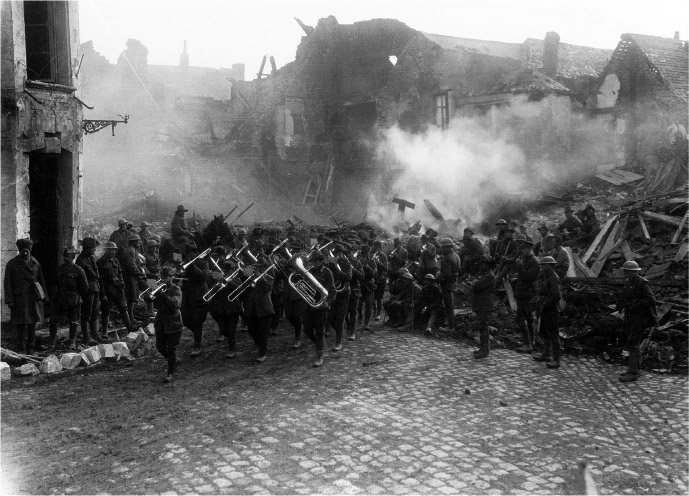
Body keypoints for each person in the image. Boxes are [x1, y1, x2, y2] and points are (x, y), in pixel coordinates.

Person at [4, 239, 49, 354]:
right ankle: (21, 348)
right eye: (23, 251)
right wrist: (10, 300)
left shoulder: (35, 263)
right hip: (20, 299)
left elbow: (41, 280)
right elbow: (7, 283)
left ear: (30, 250)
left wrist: (44, 296)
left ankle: (31, 347)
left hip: (33, 298)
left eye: (27, 251)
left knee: (32, 324)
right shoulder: (12, 264)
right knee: (21, 325)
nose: (25, 253)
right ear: (19, 250)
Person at [617, 261, 658, 382]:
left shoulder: (642, 282)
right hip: (630, 316)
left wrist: (634, 305)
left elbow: (651, 299)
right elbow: (625, 297)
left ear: (634, 272)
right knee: (630, 341)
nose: (625, 273)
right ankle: (635, 369)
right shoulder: (628, 282)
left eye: (627, 271)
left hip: (639, 317)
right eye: (625, 271)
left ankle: (632, 373)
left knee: (633, 343)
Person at [147, 267, 184, 383]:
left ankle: (170, 373)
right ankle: (174, 361)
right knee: (160, 347)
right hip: (161, 321)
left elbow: (174, 304)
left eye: (166, 277)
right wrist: (148, 295)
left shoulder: (176, 289)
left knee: (171, 348)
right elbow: (152, 301)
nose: (163, 280)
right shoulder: (159, 289)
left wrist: (161, 294)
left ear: (172, 277)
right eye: (162, 277)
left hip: (173, 322)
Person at [50, 246, 89, 348]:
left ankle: (72, 342)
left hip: (73, 299)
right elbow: (54, 283)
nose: (66, 258)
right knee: (54, 320)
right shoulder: (59, 269)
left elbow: (84, 286)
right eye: (65, 256)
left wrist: (77, 295)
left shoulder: (78, 270)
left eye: (69, 256)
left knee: (74, 321)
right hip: (60, 299)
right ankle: (51, 342)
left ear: (72, 257)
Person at [301, 250, 334, 367]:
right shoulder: (308, 272)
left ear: (321, 261)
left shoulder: (327, 272)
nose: (313, 263)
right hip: (309, 305)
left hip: (321, 306)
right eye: (312, 261)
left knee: (320, 332)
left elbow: (332, 291)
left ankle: (320, 356)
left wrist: (328, 302)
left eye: (315, 261)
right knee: (307, 330)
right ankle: (319, 346)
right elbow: (303, 288)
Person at [208, 258, 244, 358]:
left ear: (232, 270)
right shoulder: (218, 281)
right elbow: (212, 293)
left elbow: (239, 289)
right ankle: (232, 342)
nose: (227, 272)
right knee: (223, 330)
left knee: (231, 330)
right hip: (221, 308)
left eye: (229, 270)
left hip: (233, 308)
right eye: (225, 270)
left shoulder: (236, 279)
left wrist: (227, 281)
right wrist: (219, 283)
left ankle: (232, 349)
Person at [97, 241, 136, 337]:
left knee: (123, 308)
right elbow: (100, 280)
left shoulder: (115, 261)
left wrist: (122, 284)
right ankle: (105, 331)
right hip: (108, 290)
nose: (113, 252)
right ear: (106, 250)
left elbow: (120, 273)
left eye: (114, 250)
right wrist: (103, 294)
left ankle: (129, 327)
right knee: (106, 310)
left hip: (118, 289)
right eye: (111, 250)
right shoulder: (100, 262)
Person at [180, 241, 209, 356]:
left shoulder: (203, 263)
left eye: (191, 252)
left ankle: (197, 346)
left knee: (197, 322)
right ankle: (199, 334)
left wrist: (191, 264)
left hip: (199, 296)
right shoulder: (185, 263)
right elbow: (181, 275)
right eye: (187, 252)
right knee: (186, 320)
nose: (189, 255)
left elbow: (202, 276)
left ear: (196, 252)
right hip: (187, 296)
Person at [533, 256, 563, 369]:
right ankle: (546, 353)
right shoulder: (546, 277)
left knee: (553, 334)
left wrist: (545, 305)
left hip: (551, 310)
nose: (542, 267)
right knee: (544, 332)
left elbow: (556, 296)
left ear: (550, 266)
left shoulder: (553, 278)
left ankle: (556, 359)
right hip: (545, 308)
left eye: (544, 265)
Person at [243, 258, 275, 363]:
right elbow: (244, 288)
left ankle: (262, 353)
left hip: (264, 308)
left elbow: (267, 288)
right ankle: (259, 344)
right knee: (251, 330)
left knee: (263, 333)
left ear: (265, 267)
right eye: (257, 266)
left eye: (260, 267)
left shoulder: (269, 277)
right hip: (252, 308)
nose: (258, 268)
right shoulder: (251, 277)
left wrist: (260, 278)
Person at [513, 236, 540, 353]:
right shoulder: (526, 260)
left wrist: (519, 266)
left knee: (520, 318)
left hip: (527, 294)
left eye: (523, 249)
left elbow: (529, 277)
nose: (521, 251)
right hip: (523, 293)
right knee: (528, 318)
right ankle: (530, 342)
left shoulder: (534, 262)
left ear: (529, 249)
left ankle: (528, 343)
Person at [76, 237, 105, 345]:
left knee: (95, 313)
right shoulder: (81, 260)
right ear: (88, 248)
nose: (95, 250)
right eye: (93, 248)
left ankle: (95, 334)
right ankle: (87, 337)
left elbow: (96, 274)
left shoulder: (91, 258)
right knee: (86, 315)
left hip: (95, 288)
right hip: (87, 290)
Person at [326, 244, 352, 351]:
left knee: (340, 319)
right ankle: (340, 333)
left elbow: (348, 277)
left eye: (339, 253)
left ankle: (338, 342)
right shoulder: (330, 264)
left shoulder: (347, 264)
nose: (337, 255)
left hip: (344, 294)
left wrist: (336, 269)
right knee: (331, 319)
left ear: (343, 253)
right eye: (335, 253)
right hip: (334, 294)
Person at [471, 256, 496, 359]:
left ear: (486, 265)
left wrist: (474, 282)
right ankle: (483, 348)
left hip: (485, 304)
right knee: (482, 327)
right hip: (481, 303)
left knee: (483, 326)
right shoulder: (485, 275)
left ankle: (485, 350)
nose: (480, 267)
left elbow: (476, 286)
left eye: (482, 264)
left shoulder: (490, 276)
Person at [284, 240, 307, 348]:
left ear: (301, 249)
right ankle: (300, 327)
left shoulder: (305, 259)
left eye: (297, 249)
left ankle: (297, 338)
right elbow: (281, 274)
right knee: (289, 316)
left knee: (297, 316)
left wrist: (292, 261)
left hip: (299, 292)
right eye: (293, 248)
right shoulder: (290, 259)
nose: (295, 251)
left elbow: (304, 272)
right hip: (288, 292)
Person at [121, 233, 146, 327]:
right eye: (138, 241)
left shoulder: (133, 250)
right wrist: (140, 273)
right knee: (130, 299)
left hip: (132, 277)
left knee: (131, 299)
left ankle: (131, 318)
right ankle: (130, 319)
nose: (139, 242)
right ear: (133, 242)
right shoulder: (130, 251)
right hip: (129, 278)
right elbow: (131, 265)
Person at [437, 238, 461, 331]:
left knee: (449, 305)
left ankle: (450, 326)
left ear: (448, 247)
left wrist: (438, 279)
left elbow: (446, 275)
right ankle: (449, 324)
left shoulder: (448, 258)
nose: (442, 249)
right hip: (453, 283)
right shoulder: (456, 256)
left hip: (447, 284)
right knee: (450, 304)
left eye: (443, 247)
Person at [345, 244, 364, 341]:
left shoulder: (357, 263)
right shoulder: (341, 262)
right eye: (346, 253)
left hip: (354, 290)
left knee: (353, 312)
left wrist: (353, 269)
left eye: (349, 253)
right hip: (343, 291)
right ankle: (348, 325)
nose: (348, 255)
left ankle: (352, 332)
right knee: (343, 313)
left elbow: (361, 276)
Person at [356, 245, 377, 332]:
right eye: (363, 253)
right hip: (360, 286)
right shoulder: (357, 262)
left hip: (369, 286)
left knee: (368, 304)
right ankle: (360, 317)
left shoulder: (372, 262)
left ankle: (366, 323)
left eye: (367, 253)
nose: (365, 255)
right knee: (358, 305)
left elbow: (375, 274)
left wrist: (367, 266)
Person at [143, 239, 161, 317]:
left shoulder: (155, 255)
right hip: (149, 277)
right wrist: (150, 274)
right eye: (152, 247)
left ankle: (153, 308)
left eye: (155, 247)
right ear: (148, 248)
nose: (154, 249)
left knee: (155, 292)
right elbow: (144, 268)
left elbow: (158, 265)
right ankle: (150, 310)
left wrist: (159, 272)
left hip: (155, 276)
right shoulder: (145, 256)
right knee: (150, 293)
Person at [371, 240, 388, 321]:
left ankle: (378, 314)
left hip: (381, 279)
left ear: (379, 248)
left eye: (376, 247)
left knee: (378, 298)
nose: (374, 249)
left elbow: (385, 268)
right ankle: (374, 310)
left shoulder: (383, 256)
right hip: (373, 278)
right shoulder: (371, 254)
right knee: (372, 297)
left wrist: (378, 263)